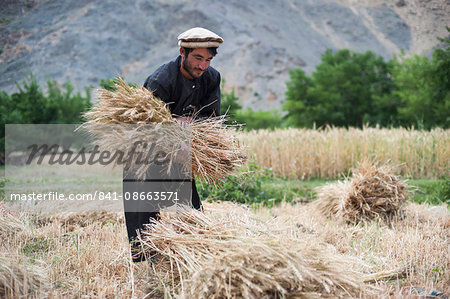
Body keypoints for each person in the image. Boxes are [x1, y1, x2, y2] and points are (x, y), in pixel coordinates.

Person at [124, 27, 223, 262]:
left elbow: (211, 119)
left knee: (191, 210)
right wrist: (174, 123)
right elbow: (144, 126)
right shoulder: (161, 80)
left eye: (208, 59)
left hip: (181, 151)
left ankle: (192, 257)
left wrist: (188, 128)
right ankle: (146, 267)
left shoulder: (211, 77)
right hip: (145, 152)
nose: (203, 66)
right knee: (143, 216)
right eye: (198, 58)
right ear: (182, 53)